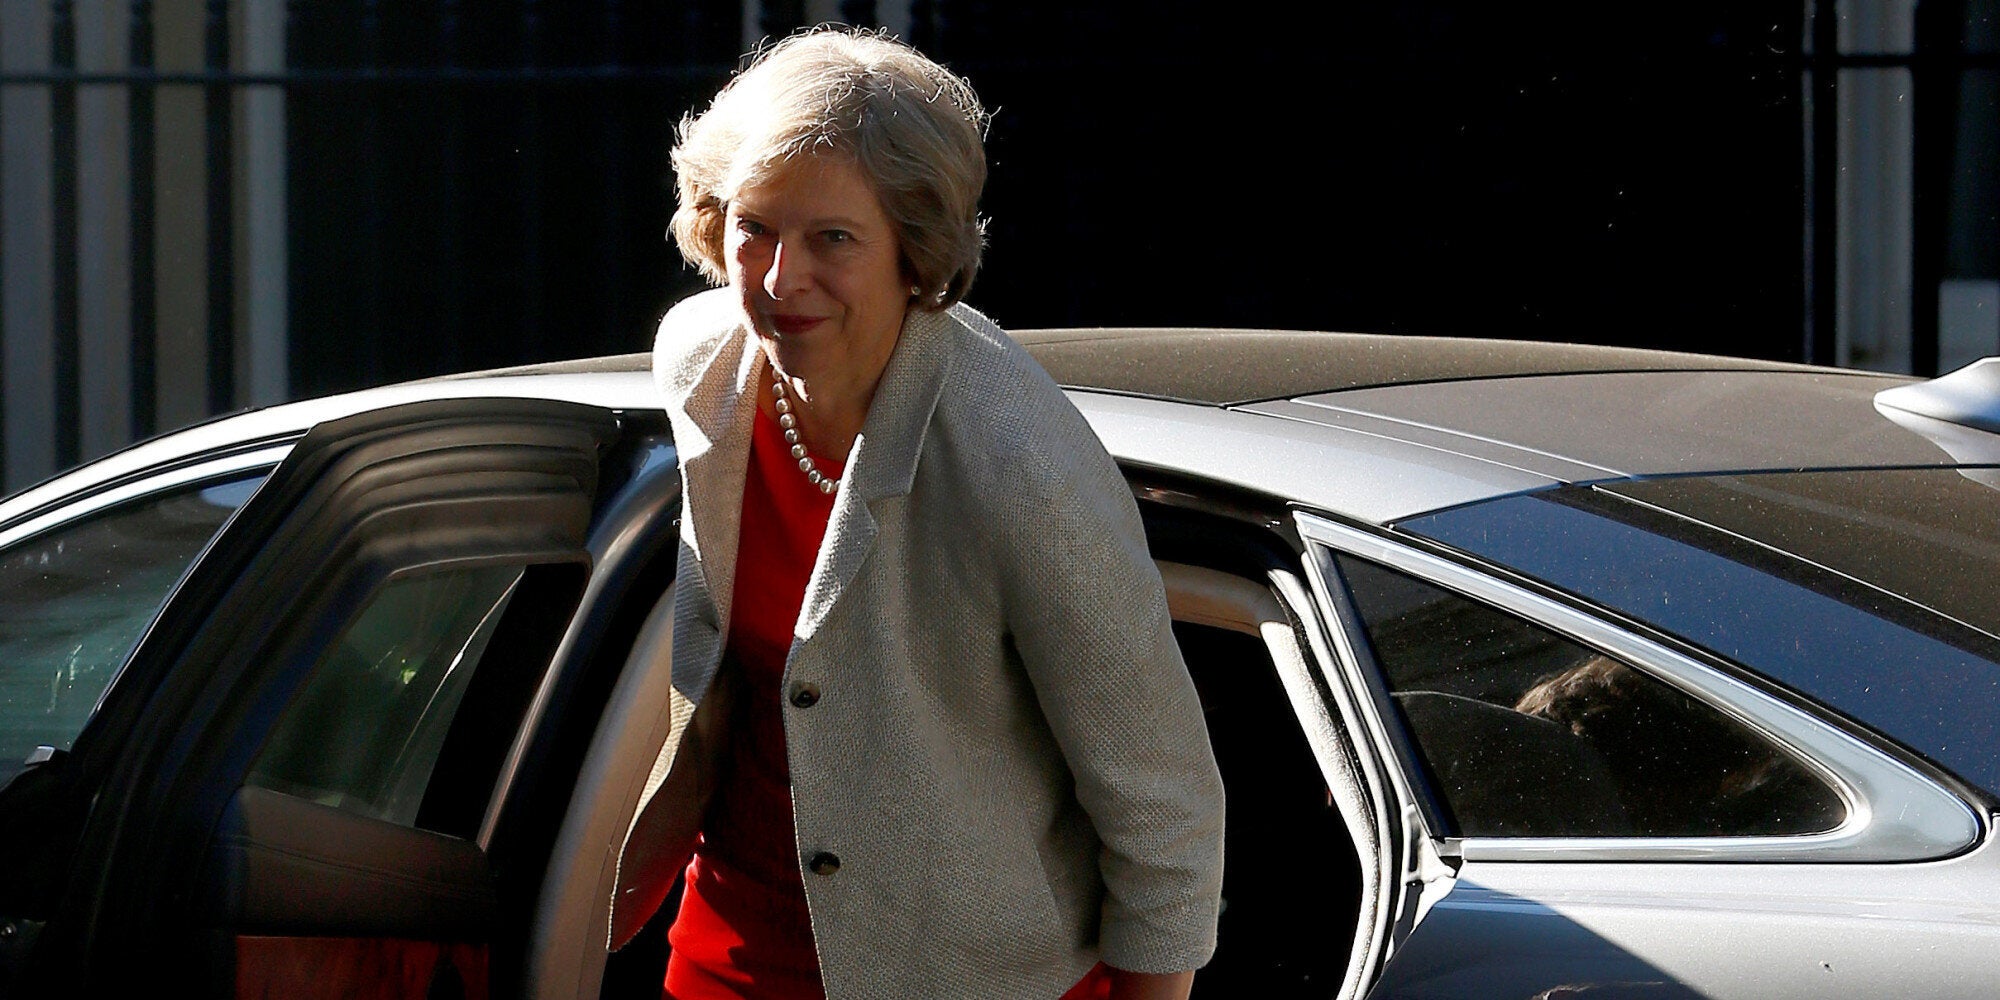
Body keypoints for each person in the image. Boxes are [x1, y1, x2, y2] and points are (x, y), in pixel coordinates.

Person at [611, 26, 1225, 1000]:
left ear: (916, 250)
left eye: (832, 239)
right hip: (736, 944)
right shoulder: (704, 364)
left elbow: (1164, 811)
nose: (780, 279)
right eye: (755, 227)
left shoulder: (1020, 461)